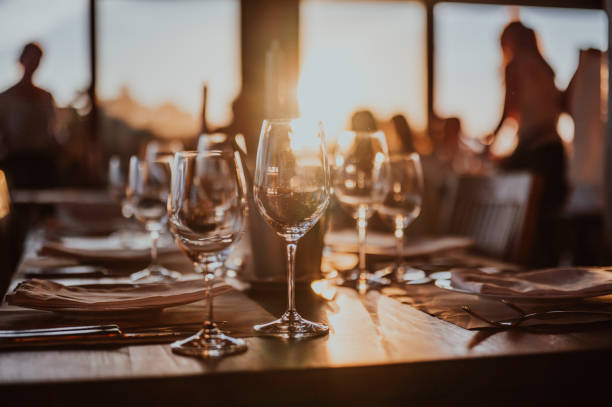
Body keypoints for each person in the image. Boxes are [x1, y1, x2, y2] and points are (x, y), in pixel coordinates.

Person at [491, 21, 568, 266]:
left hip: (535, 151)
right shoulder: (546, 68)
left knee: (524, 227)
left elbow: (509, 112)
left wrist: (490, 142)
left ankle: (519, 274)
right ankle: (550, 280)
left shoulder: (515, 66)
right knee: (548, 224)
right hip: (555, 150)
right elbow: (560, 106)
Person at [0, 42, 60, 189]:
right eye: (31, 57)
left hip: (43, 162)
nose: (34, 62)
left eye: (37, 59)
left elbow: (52, 132)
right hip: (15, 162)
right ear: (22, 59)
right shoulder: (5, 98)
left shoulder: (46, 97)